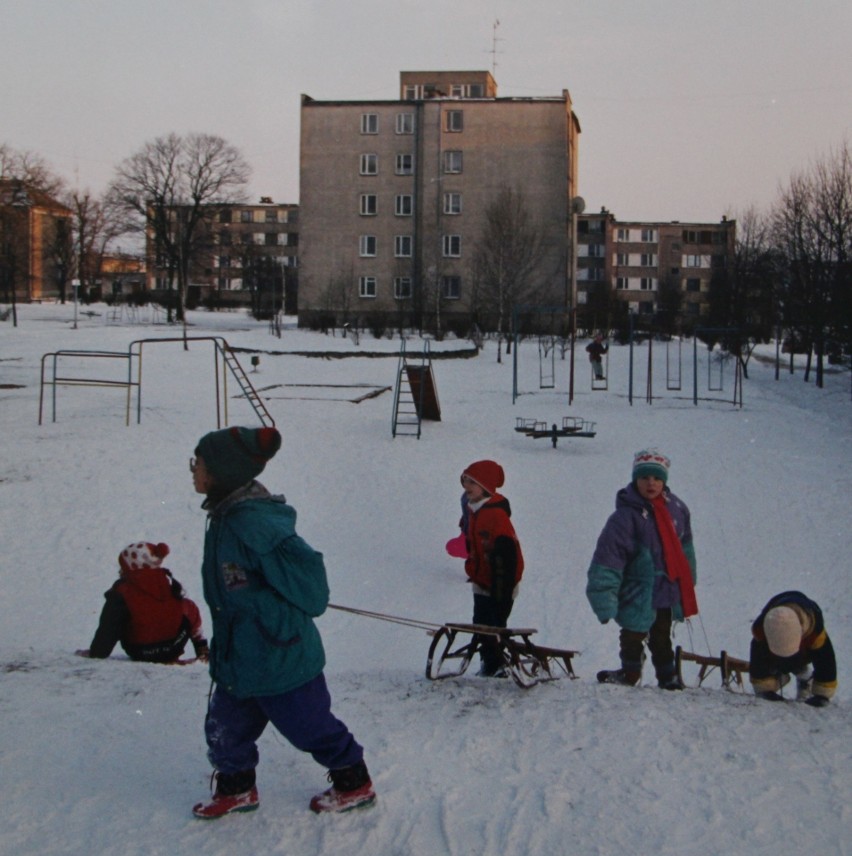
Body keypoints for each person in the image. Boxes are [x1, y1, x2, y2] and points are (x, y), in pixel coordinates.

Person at [189, 426, 376, 819]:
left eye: (198, 464)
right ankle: (236, 788)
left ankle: (353, 781)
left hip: (278, 654)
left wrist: (266, 609)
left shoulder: (255, 524)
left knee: (308, 726)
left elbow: (311, 589)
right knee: (225, 727)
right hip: (240, 654)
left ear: (220, 472)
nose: (193, 470)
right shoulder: (226, 515)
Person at [586, 448, 697, 690]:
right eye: (645, 477)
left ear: (664, 481)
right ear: (636, 479)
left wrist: (688, 581)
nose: (651, 483)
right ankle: (630, 672)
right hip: (637, 589)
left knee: (661, 636)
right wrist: (604, 594)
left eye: (657, 478)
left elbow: (685, 547)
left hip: (665, 588)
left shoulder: (676, 509)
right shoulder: (625, 517)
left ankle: (668, 677)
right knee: (632, 634)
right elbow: (609, 558)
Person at [78, 541, 208, 663]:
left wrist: (97, 652)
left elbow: (109, 627)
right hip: (173, 647)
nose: (120, 570)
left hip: (141, 651)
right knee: (187, 606)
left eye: (122, 566)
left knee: (119, 610)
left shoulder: (122, 591)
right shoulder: (165, 582)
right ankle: (202, 651)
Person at [460, 460, 524, 677]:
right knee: (481, 623)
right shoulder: (473, 511)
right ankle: (489, 663)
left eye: (473, 482)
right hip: (482, 578)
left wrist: (501, 591)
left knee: (495, 624)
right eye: (465, 481)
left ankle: (498, 664)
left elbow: (507, 556)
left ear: (485, 487)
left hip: (502, 581)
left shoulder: (495, 515)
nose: (467, 486)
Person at [749, 591, 837, 707]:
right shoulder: (761, 631)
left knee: (805, 661)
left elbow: (826, 662)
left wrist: (822, 694)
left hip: (803, 652)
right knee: (773, 663)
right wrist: (764, 688)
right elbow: (758, 659)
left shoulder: (815, 633)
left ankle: (804, 677)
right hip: (774, 652)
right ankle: (780, 676)